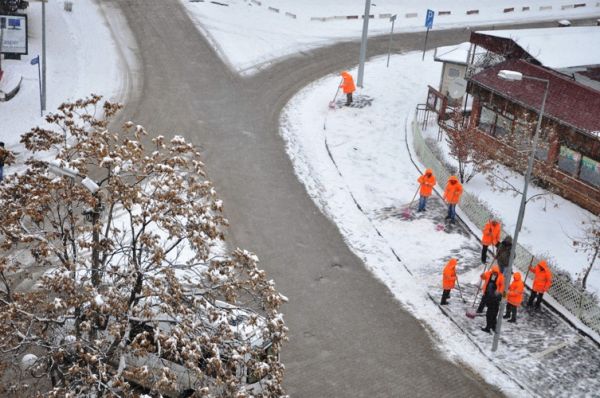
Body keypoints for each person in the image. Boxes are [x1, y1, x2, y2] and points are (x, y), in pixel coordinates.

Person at [479, 265, 504, 333]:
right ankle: (493, 326)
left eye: (496, 272)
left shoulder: (501, 277)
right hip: (488, 296)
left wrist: (499, 294)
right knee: (492, 314)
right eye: (493, 272)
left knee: (491, 314)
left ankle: (489, 327)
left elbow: (503, 288)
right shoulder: (488, 274)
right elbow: (483, 277)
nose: (494, 274)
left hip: (495, 298)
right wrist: (482, 275)